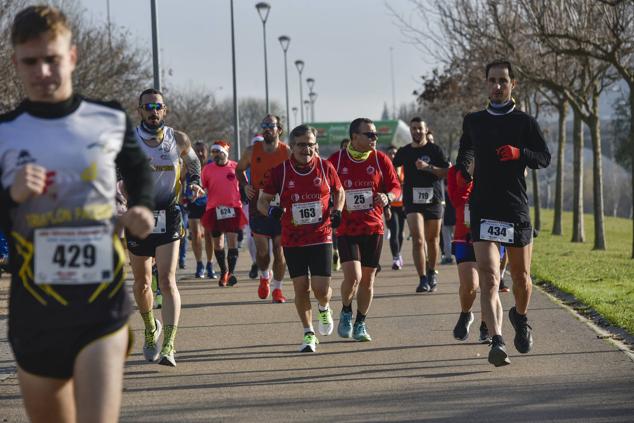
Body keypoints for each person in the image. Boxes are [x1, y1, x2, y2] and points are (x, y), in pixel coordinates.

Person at [0, 6, 155, 421]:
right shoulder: (5, 132)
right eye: (31, 61)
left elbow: (140, 173)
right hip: (35, 310)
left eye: (52, 59)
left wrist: (141, 208)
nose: (43, 71)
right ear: (15, 63)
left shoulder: (107, 118)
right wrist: (11, 195)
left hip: (99, 303)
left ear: (71, 56)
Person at [455, 59, 551, 367]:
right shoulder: (473, 120)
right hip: (484, 206)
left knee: (521, 278)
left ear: (513, 85)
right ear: (485, 83)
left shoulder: (524, 122)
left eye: (503, 81)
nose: (497, 86)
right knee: (489, 275)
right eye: (492, 80)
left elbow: (543, 157)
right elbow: (465, 150)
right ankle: (496, 339)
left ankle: (520, 317)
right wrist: (464, 169)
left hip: (513, 206)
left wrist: (519, 153)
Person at [127, 88, 204, 367]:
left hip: (169, 213)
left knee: (167, 280)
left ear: (165, 110)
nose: (153, 111)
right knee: (142, 283)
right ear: (140, 111)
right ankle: (151, 328)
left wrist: (195, 182)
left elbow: (194, 162)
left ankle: (169, 345)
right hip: (138, 216)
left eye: (157, 106)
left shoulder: (178, 139)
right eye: (147, 107)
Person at [259, 125, 344, 352]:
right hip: (293, 238)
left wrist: (338, 211)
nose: (306, 149)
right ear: (292, 147)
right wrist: (271, 211)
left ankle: (324, 308)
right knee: (300, 287)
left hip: (321, 235)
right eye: (301, 145)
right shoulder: (280, 172)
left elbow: (339, 191)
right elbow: (262, 200)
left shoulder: (326, 168)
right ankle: (308, 333)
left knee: (320, 289)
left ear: (315, 145)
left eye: (310, 144)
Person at [328, 118, 401, 342]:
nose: (374, 138)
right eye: (369, 134)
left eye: (375, 134)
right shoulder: (336, 160)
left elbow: (396, 187)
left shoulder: (381, 159)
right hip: (347, 229)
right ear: (354, 137)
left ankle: (361, 322)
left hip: (374, 228)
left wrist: (387, 197)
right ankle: (346, 310)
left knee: (368, 280)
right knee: (354, 277)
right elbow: (322, 186)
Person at [236, 115, 290, 303]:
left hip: (280, 205)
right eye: (264, 125)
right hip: (257, 202)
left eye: (271, 126)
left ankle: (277, 289)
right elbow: (238, 169)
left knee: (279, 250)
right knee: (262, 251)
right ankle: (264, 276)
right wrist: (245, 185)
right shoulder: (251, 151)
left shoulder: (287, 152)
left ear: (279, 130)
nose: (267, 129)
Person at [447, 164, 503, 344]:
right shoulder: (456, 172)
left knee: (490, 284)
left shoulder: (495, 169)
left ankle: (489, 329)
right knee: (470, 285)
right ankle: (466, 314)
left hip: (490, 235)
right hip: (465, 236)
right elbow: (456, 200)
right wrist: (469, 175)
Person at [393, 118, 449, 293]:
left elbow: (447, 172)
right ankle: (422, 278)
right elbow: (390, 168)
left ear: (426, 130)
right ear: (410, 130)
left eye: (420, 129)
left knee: (432, 240)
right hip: (412, 200)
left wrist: (428, 167)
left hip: (433, 199)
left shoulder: (434, 150)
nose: (417, 131)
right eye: (414, 128)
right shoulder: (405, 151)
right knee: (418, 239)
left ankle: (432, 272)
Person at [201, 141, 248, 286]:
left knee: (232, 241)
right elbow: (203, 187)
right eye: (213, 152)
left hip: (233, 209)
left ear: (225, 152)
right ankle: (223, 271)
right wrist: (198, 191)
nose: (215, 154)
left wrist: (247, 198)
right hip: (215, 210)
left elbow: (245, 185)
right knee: (218, 244)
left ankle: (232, 273)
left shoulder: (236, 167)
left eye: (218, 151)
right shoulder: (207, 169)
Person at [186, 141, 217, 279]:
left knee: (210, 235)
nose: (199, 153)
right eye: (196, 150)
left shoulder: (212, 166)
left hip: (209, 204)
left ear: (207, 152)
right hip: (194, 203)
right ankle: (199, 264)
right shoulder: (189, 166)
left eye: (201, 150)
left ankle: (210, 264)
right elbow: (181, 179)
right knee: (196, 235)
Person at [332, 138, 351, 272]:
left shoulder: (357, 164)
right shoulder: (335, 163)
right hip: (337, 202)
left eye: (348, 147)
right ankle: (336, 251)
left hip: (352, 206)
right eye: (344, 147)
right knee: (335, 229)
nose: (346, 150)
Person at [385, 145, 405, 270]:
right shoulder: (386, 168)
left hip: (402, 204)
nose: (392, 155)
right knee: (395, 231)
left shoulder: (404, 168)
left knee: (401, 234)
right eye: (390, 153)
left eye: (395, 153)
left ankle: (398, 253)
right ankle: (396, 258)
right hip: (391, 205)